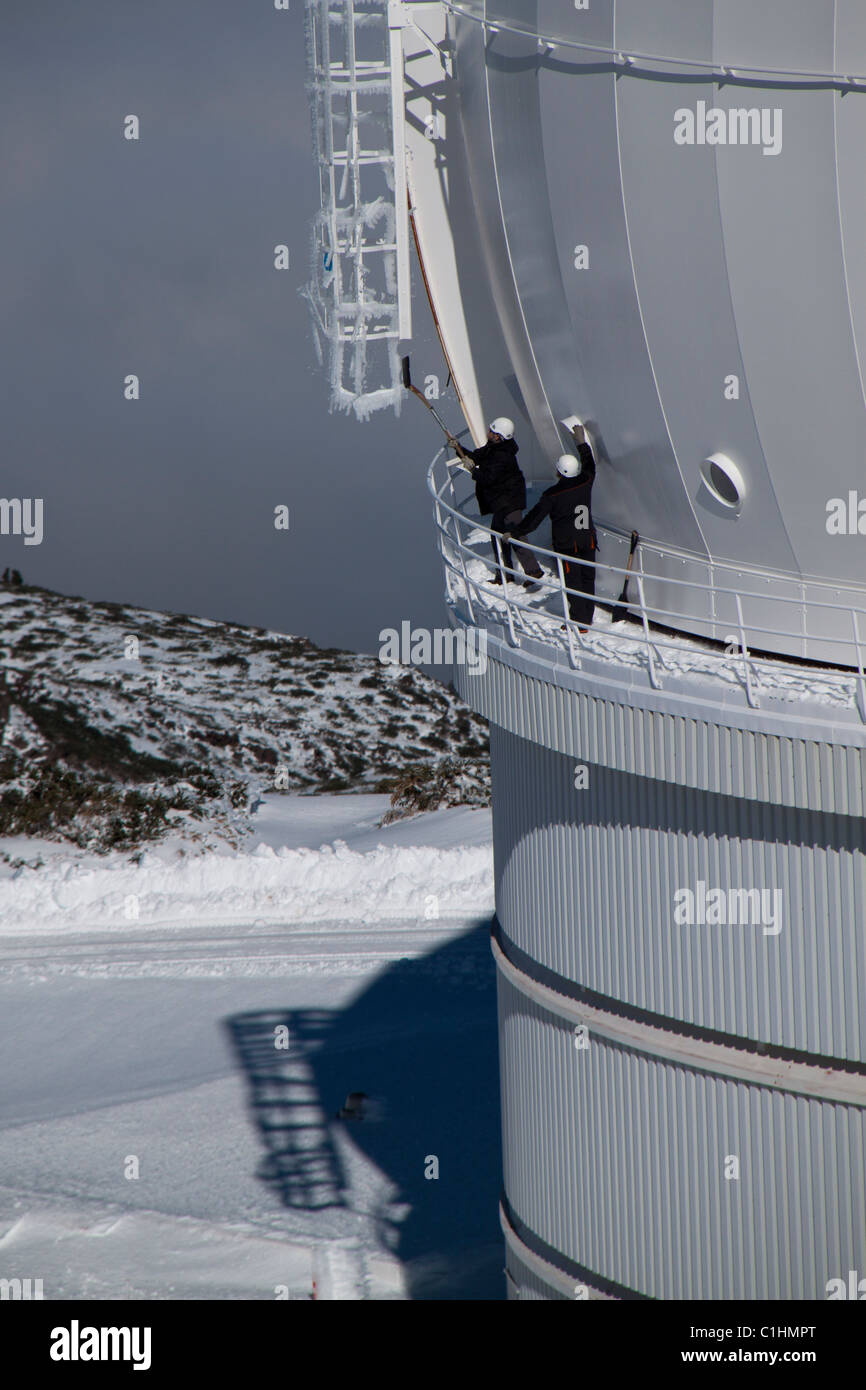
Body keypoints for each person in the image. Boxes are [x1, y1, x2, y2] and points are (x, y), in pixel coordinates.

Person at [506, 422, 597, 630]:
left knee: (573, 582)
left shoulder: (553, 495)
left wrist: (514, 533)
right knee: (587, 578)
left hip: (568, 545)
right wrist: (582, 443)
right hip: (588, 539)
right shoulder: (586, 481)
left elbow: (534, 519)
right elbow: (590, 464)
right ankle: (587, 617)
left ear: (559, 472)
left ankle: (579, 622)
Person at [450, 417, 543, 588]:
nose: (488, 432)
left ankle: (530, 572)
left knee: (515, 535)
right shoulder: (494, 448)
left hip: (509, 501)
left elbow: (488, 478)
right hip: (504, 501)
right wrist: (459, 448)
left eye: (492, 431)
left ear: (499, 437)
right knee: (502, 536)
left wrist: (472, 469)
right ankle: (509, 574)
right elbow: (477, 456)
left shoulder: (502, 455)